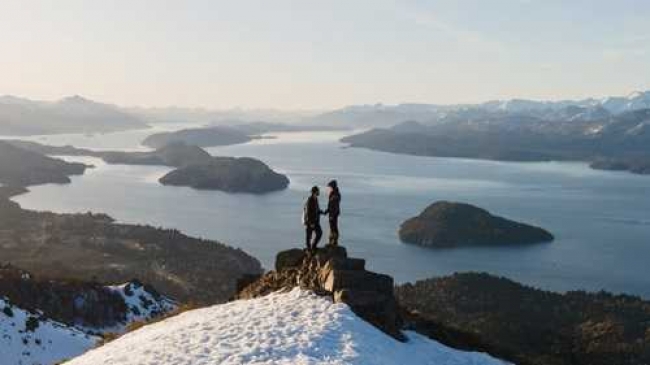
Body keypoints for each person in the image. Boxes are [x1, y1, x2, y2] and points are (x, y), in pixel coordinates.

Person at [303, 186, 323, 252]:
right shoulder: (310, 200)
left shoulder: (315, 199)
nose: (319, 192)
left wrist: (322, 212)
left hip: (315, 221)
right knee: (308, 236)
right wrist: (311, 223)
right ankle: (309, 249)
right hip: (310, 222)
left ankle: (313, 246)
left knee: (319, 233)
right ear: (315, 192)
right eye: (318, 191)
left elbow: (316, 210)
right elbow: (308, 212)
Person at [324, 180, 341, 246]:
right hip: (332, 213)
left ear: (333, 186)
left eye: (330, 186)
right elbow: (330, 205)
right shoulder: (334, 193)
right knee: (332, 227)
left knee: (333, 227)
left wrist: (332, 214)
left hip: (333, 213)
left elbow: (334, 205)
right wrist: (327, 211)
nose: (329, 188)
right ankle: (332, 241)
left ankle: (334, 241)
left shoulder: (336, 194)